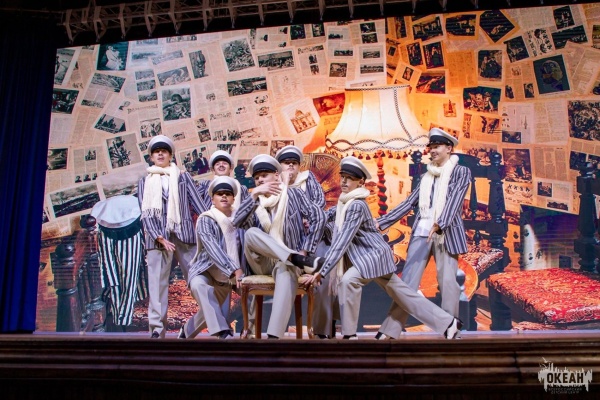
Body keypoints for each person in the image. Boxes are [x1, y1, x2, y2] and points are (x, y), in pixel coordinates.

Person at [303, 156, 462, 340]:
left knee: (348, 281)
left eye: (350, 178)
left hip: (373, 256)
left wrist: (321, 272)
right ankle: (448, 323)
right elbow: (326, 217)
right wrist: (310, 221)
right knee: (404, 295)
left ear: (360, 181)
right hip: (366, 257)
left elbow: (342, 241)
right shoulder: (343, 201)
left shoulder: (356, 205)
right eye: (343, 177)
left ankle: (349, 335)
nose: (344, 181)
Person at [374, 128, 470, 340]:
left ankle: (450, 330)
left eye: (437, 147)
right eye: (431, 147)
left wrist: (440, 223)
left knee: (447, 282)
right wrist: (381, 222)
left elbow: (455, 200)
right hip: (421, 231)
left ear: (449, 148)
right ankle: (390, 330)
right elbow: (409, 203)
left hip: (446, 232)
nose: (432, 151)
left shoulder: (461, 172)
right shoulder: (425, 176)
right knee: (407, 284)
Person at [233, 154, 326, 339]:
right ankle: (295, 258)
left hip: (287, 264)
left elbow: (319, 217)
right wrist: (254, 194)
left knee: (286, 269)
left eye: (264, 175)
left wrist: (305, 249)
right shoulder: (254, 202)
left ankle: (274, 337)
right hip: (262, 262)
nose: (260, 180)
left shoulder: (294, 194)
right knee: (251, 233)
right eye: (257, 177)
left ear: (276, 175)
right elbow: (237, 222)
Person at [138, 135, 206, 338]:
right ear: (151, 157)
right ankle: (157, 331)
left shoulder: (182, 177)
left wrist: (212, 225)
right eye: (156, 151)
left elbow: (199, 205)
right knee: (157, 285)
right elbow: (145, 213)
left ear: (170, 155)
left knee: (198, 280)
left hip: (184, 235)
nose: (160, 154)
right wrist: (158, 237)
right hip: (158, 238)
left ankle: (196, 326)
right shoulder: (145, 181)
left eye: (164, 151)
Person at [274, 145, 336, 338]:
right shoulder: (274, 184)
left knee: (324, 276)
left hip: (312, 236)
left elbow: (319, 204)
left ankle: (321, 331)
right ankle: (272, 331)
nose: (291, 166)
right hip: (284, 241)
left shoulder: (308, 179)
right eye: (286, 163)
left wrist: (307, 218)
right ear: (279, 167)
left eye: (294, 163)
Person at [179, 177, 246, 339]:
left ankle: (186, 331)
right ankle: (222, 331)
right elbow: (212, 248)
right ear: (212, 199)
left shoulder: (241, 220)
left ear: (233, 199)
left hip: (226, 279)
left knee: (209, 310)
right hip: (204, 272)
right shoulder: (206, 219)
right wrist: (234, 269)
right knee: (200, 287)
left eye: (227, 194)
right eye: (219, 194)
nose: (224, 196)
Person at [91, 195, 148, 331]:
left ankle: (122, 317)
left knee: (127, 277)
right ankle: (121, 318)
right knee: (115, 277)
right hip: (110, 236)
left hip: (127, 235)